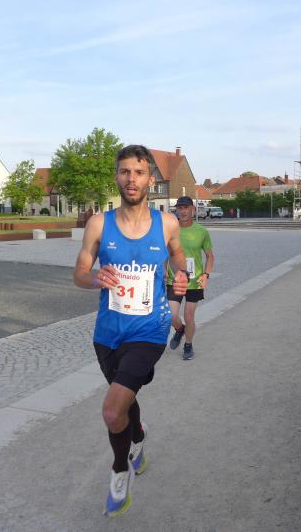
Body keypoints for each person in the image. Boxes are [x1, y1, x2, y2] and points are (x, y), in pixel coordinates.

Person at [73, 145, 189, 518]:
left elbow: (178, 256)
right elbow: (79, 273)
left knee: (111, 411)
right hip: (108, 333)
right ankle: (138, 437)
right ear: (117, 177)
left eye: (138, 172)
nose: (131, 179)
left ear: (150, 179)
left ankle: (120, 471)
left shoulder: (167, 223)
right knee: (124, 397)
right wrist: (94, 278)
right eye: (124, 171)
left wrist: (182, 275)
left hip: (150, 329)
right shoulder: (98, 224)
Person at [166, 196, 214, 361]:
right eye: (180, 208)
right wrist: (164, 270)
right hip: (175, 280)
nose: (183, 211)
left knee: (189, 316)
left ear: (192, 209)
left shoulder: (201, 231)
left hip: (194, 281)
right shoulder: (171, 230)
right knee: (171, 315)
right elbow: (165, 253)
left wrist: (206, 275)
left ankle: (188, 344)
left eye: (186, 208)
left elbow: (210, 256)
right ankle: (180, 330)